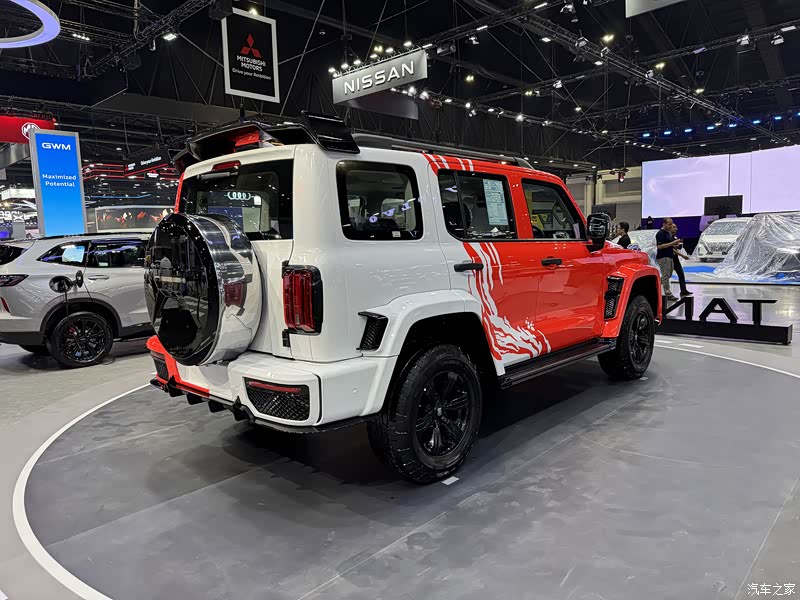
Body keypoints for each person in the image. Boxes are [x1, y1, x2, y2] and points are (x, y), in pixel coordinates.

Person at [655, 217, 682, 301]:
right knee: (666, 275)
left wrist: (674, 245)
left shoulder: (668, 233)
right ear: (664, 224)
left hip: (669, 256)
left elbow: (669, 245)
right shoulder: (660, 233)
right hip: (663, 257)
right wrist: (672, 243)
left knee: (668, 274)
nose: (671, 226)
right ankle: (668, 292)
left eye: (671, 224)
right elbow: (660, 246)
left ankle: (655, 285)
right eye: (669, 224)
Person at [670, 223, 693, 297]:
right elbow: (671, 249)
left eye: (676, 227)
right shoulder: (668, 238)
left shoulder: (674, 237)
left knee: (681, 274)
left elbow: (676, 248)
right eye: (674, 227)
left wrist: (678, 245)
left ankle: (683, 290)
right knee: (666, 276)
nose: (676, 229)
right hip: (669, 259)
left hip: (675, 259)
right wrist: (682, 255)